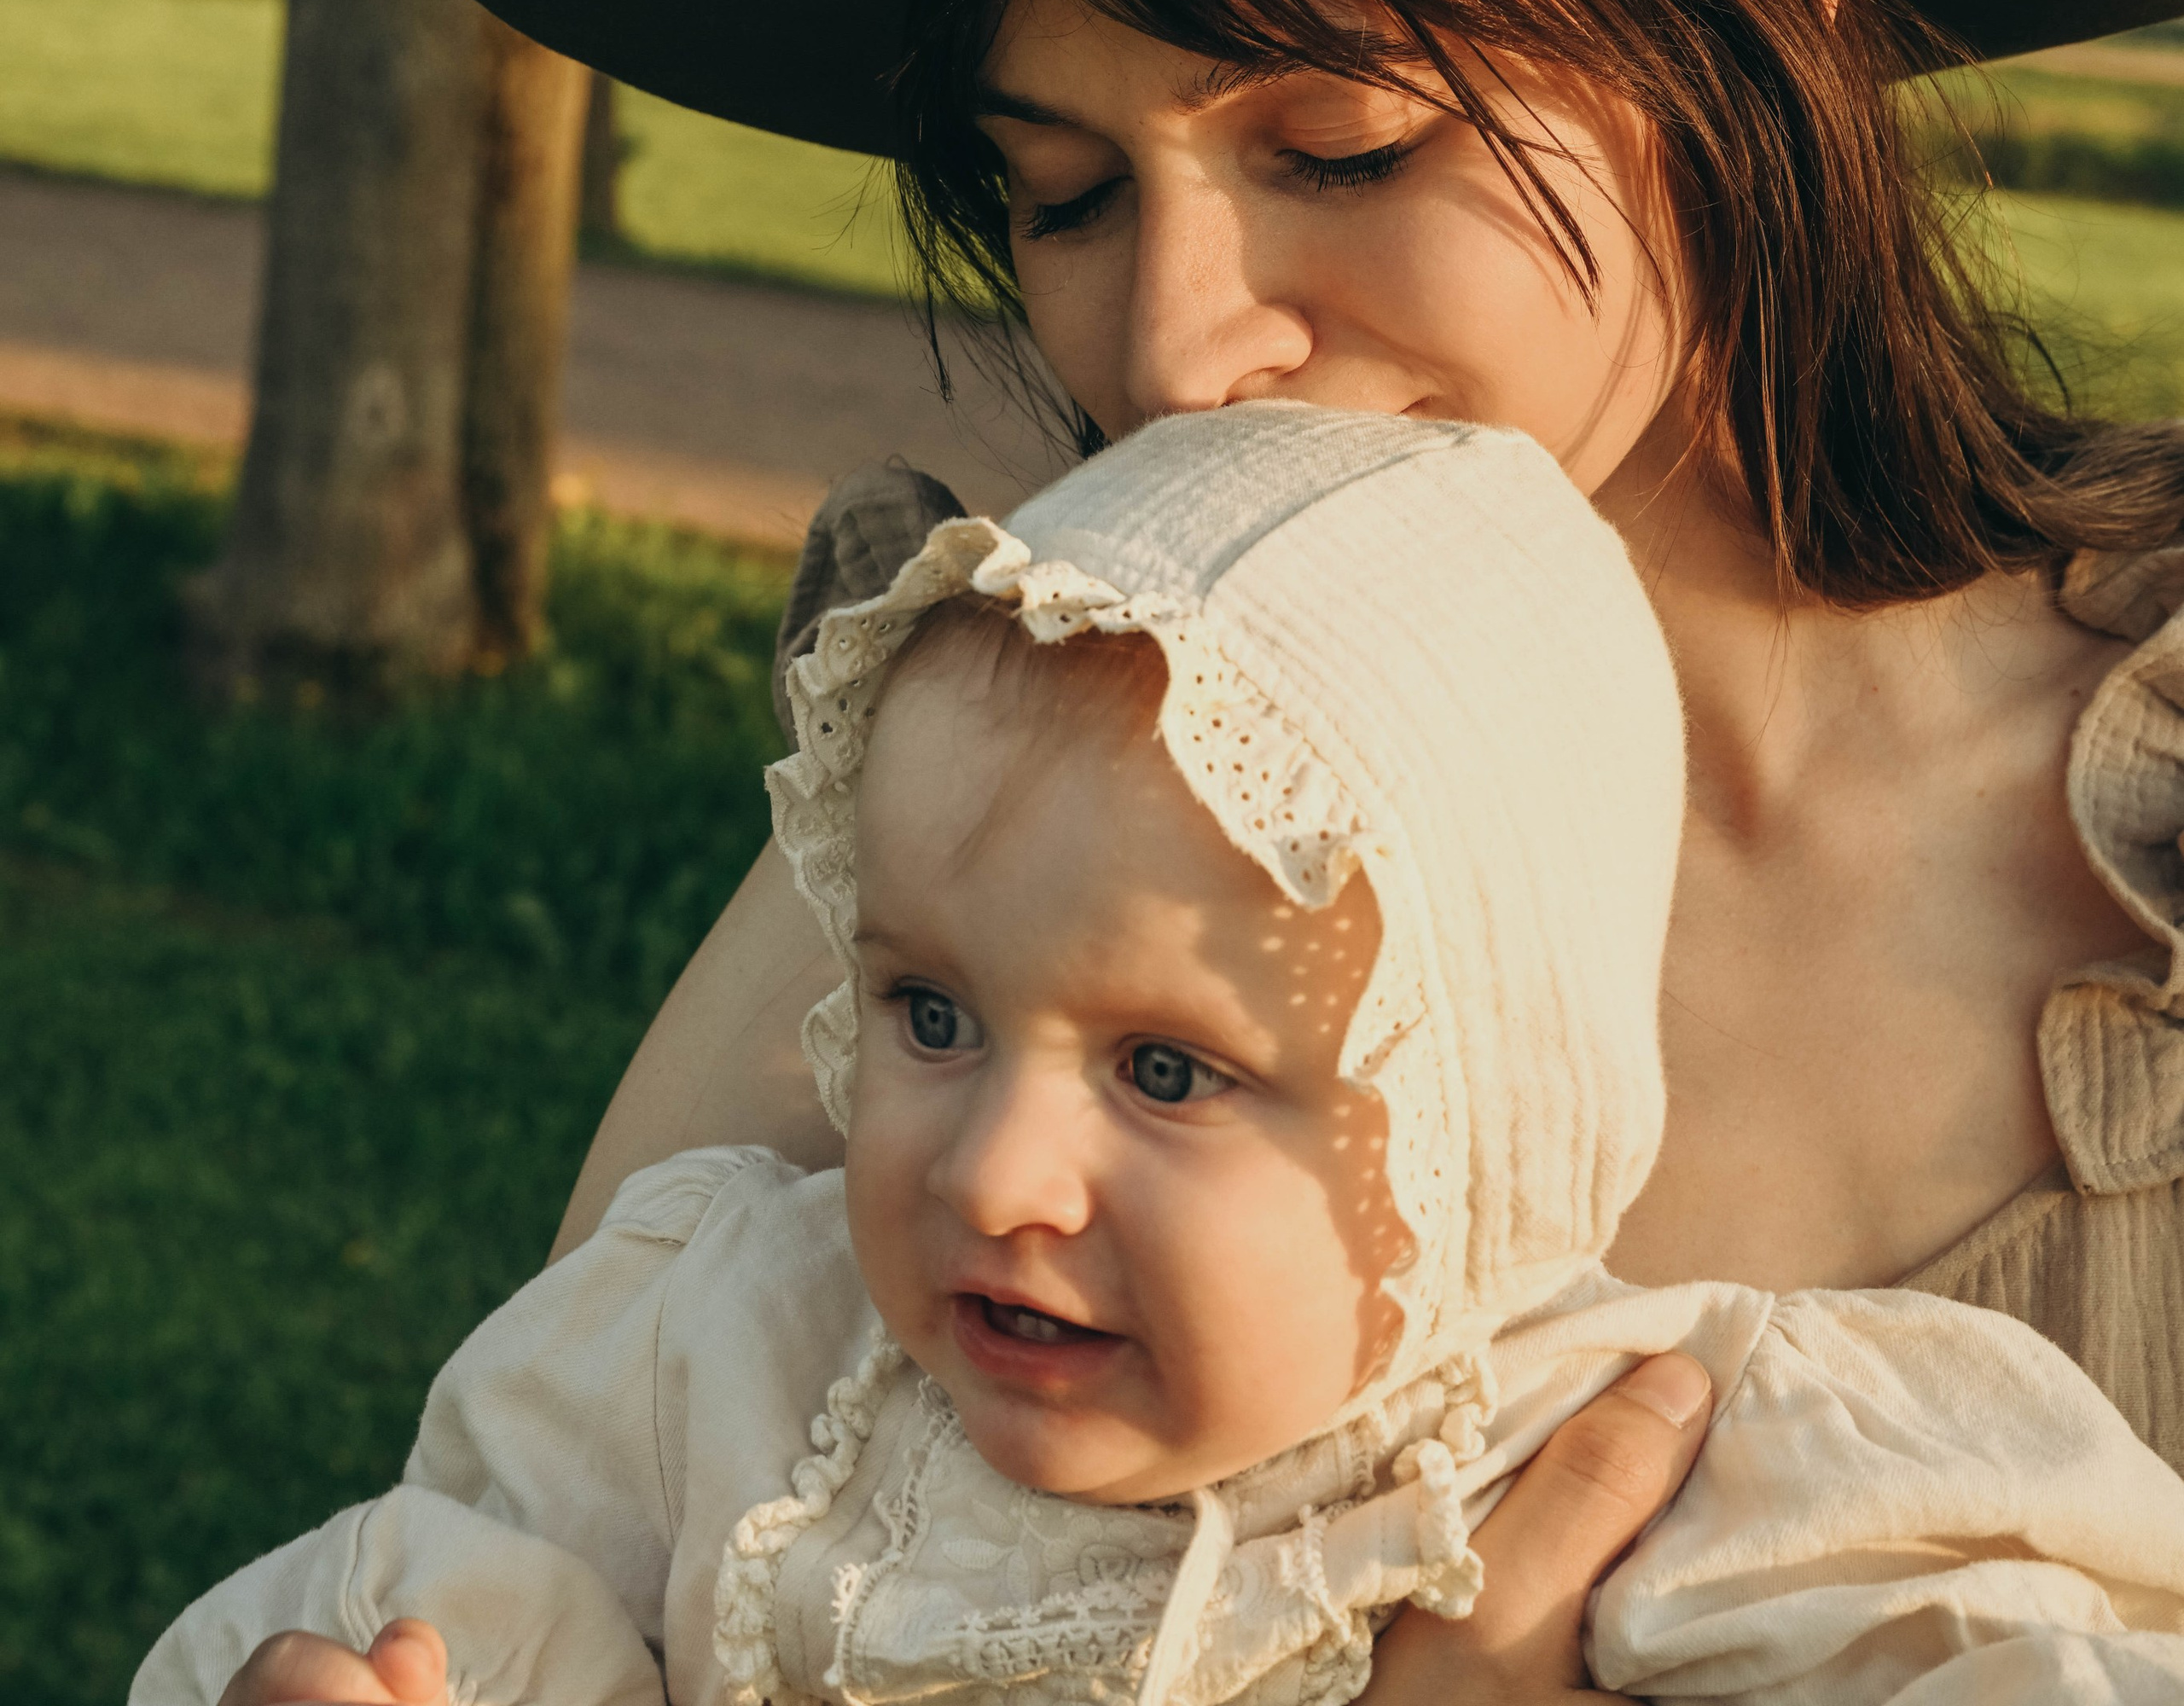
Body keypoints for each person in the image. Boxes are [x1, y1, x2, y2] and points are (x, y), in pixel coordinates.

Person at [423, 0, 2184, 1704]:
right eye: (1060, 192)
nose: (1169, 347)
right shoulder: (1002, 796)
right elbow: (557, 1568)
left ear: (1748, 50)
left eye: (1341, 144)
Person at [137, 409, 2184, 1706]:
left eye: (1168, 1074)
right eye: (930, 1014)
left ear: (1471, 1120)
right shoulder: (731, 1352)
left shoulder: (1636, 1461)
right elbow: (455, 1589)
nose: (994, 1172)